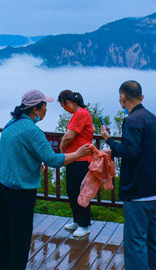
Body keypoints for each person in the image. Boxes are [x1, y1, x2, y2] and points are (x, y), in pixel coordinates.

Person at [0, 90, 93, 270]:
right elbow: (53, 159)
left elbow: (15, 151)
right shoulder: (33, 131)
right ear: (35, 109)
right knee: (20, 235)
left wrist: (35, 162)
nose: (46, 109)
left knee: (0, 231)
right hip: (18, 190)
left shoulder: (11, 123)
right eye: (44, 106)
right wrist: (78, 153)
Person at [100, 80, 156, 270]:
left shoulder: (132, 120)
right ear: (141, 97)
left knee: (135, 243)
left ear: (122, 97)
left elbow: (130, 151)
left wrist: (109, 141)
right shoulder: (152, 117)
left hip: (139, 193)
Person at [58, 89, 95, 238]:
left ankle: (84, 224)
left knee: (81, 192)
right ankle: (77, 220)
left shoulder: (80, 114)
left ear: (67, 102)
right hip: (74, 158)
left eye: (63, 106)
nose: (64, 110)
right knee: (72, 190)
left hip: (81, 159)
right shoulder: (79, 114)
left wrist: (61, 148)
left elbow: (69, 136)